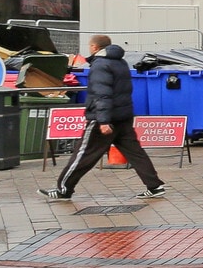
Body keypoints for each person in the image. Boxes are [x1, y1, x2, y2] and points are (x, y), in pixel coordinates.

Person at [39, 37, 165, 201]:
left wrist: (103, 121)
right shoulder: (120, 62)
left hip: (105, 118)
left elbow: (102, 94)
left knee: (83, 154)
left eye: (90, 45)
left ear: (94, 47)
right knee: (135, 152)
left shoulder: (100, 65)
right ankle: (154, 186)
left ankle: (64, 189)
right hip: (123, 115)